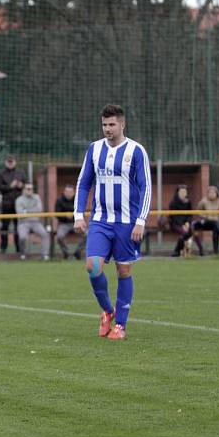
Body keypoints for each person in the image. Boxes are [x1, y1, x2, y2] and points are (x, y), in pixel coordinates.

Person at [74, 104, 151, 341]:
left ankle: (121, 325)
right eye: (104, 125)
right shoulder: (94, 149)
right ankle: (108, 310)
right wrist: (79, 214)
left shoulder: (136, 151)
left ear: (122, 124)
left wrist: (141, 221)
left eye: (112, 124)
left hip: (127, 222)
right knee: (92, 267)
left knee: (123, 270)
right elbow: (84, 182)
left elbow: (145, 186)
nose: (108, 129)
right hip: (100, 220)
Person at [0, 155, 26, 253]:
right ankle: (3, 248)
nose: (10, 163)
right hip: (6, 203)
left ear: (15, 162)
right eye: (8, 162)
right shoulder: (1, 173)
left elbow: (26, 185)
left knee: (18, 226)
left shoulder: (20, 172)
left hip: (18, 203)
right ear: (5, 162)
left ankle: (18, 248)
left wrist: (21, 185)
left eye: (12, 161)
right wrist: (10, 186)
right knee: (4, 226)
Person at [15, 183, 50, 260]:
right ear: (24, 190)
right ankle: (22, 254)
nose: (30, 190)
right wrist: (32, 211)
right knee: (22, 237)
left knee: (45, 234)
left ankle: (45, 255)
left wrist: (26, 211)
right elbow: (20, 213)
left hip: (35, 221)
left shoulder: (36, 197)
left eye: (31, 189)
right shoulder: (19, 199)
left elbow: (39, 210)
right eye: (28, 189)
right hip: (23, 222)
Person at [168, 185, 203, 257]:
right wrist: (182, 225)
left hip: (186, 223)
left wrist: (187, 223)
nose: (183, 193)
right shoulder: (173, 202)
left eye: (185, 192)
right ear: (178, 193)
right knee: (185, 233)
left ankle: (201, 250)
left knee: (193, 231)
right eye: (181, 192)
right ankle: (177, 250)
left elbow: (189, 215)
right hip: (175, 224)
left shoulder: (188, 202)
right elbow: (173, 217)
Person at [193, 185, 219, 254]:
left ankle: (216, 251)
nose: (211, 194)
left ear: (216, 193)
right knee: (216, 224)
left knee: (216, 228)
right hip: (207, 221)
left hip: (216, 221)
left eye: (213, 193)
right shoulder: (203, 201)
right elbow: (198, 211)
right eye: (210, 193)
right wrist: (204, 216)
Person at [54, 184, 85, 259]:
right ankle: (66, 253)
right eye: (67, 192)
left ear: (74, 192)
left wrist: (74, 216)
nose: (69, 193)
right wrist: (65, 216)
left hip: (76, 223)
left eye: (70, 192)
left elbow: (82, 212)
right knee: (59, 236)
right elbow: (56, 214)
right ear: (64, 192)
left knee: (87, 234)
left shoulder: (77, 200)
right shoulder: (59, 200)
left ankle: (78, 252)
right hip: (64, 224)